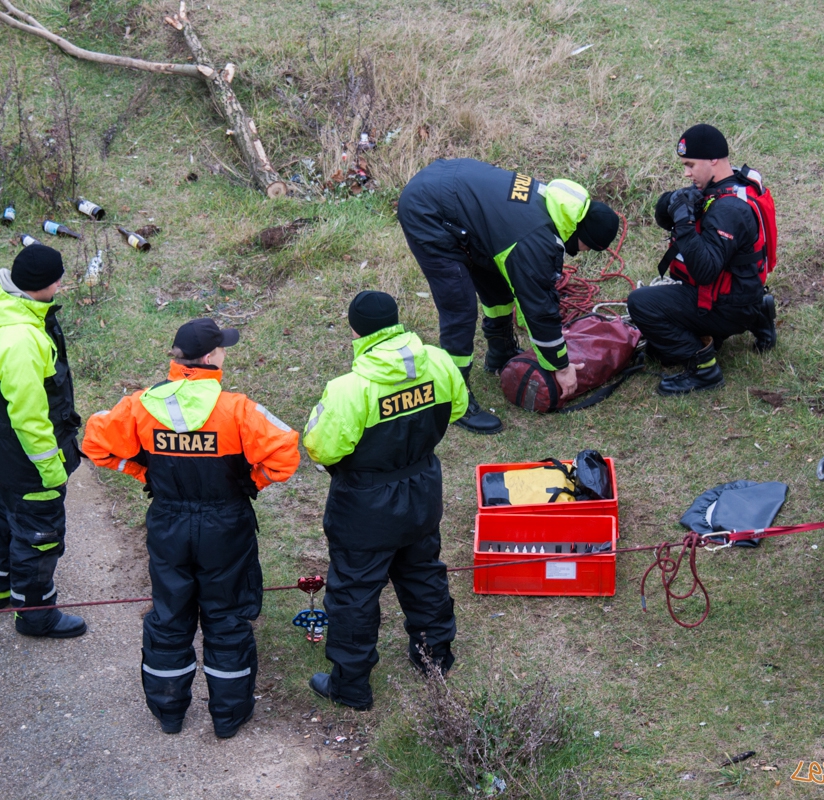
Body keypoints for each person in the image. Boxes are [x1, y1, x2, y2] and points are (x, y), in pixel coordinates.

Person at [81, 319, 300, 737]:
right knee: (227, 617)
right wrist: (250, 483)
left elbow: (95, 445)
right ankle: (228, 717)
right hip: (225, 525)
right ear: (211, 357)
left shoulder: (140, 405)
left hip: (168, 523)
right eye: (223, 348)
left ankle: (169, 712)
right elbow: (285, 454)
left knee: (169, 616)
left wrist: (144, 473)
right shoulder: (237, 409)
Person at [302, 291, 466, 710]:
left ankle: (351, 687)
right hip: (422, 491)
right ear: (396, 321)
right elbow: (457, 408)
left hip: (365, 506)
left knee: (354, 593)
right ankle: (434, 659)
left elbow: (322, 448)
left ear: (356, 331)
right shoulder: (439, 361)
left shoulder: (349, 389)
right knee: (423, 572)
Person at [397, 158, 620, 434]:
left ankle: (500, 351)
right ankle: (453, 397)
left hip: (451, 190)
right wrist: (561, 368)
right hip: (427, 210)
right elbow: (539, 308)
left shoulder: (556, 205)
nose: (583, 252)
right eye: (589, 247)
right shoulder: (533, 240)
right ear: (582, 234)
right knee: (459, 306)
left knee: (497, 281)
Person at [0, 243, 86, 639]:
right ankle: (36, 617)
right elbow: (30, 418)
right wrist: (51, 470)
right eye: (57, 280)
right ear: (42, 285)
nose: (60, 284)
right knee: (38, 535)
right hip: (26, 459)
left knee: (2, 510)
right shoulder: (21, 341)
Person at [626, 124, 778, 395]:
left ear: (713, 159)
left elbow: (705, 270)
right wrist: (673, 201)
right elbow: (664, 215)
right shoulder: (734, 185)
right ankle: (759, 313)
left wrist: (684, 222)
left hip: (728, 305)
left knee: (640, 303)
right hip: (743, 293)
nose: (687, 173)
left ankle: (704, 370)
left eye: (690, 165)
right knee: (660, 352)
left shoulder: (729, 208)